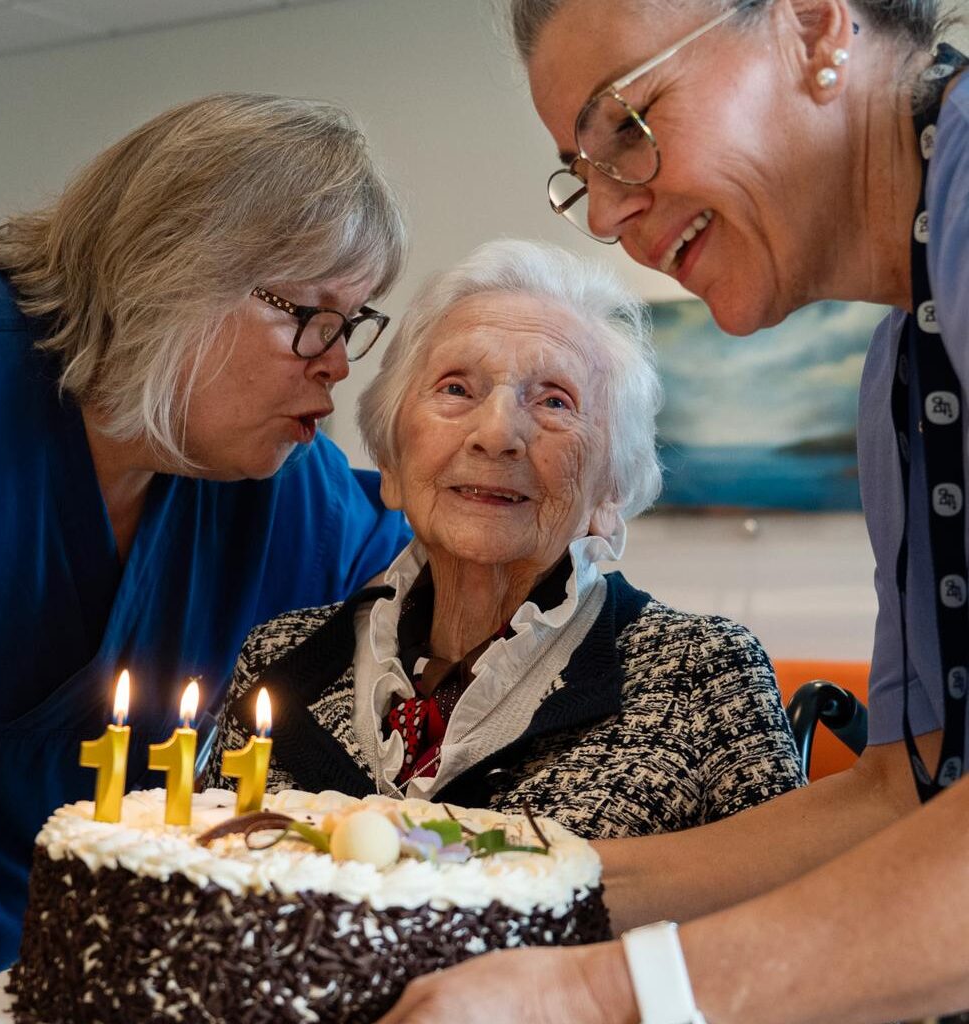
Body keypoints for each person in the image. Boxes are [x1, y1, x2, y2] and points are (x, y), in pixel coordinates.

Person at [377, 1, 969, 1022]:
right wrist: (502, 868)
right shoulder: (899, 377)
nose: (605, 215)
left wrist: (604, 994)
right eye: (583, 168)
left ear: (818, 28)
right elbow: (905, 790)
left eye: (628, 128)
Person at [0, 93, 412, 1022]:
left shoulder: (280, 491)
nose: (338, 364)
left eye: (354, 323)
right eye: (313, 315)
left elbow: (464, 599)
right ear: (174, 272)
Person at [203, 238, 804, 846]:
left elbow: (786, 919)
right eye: (457, 389)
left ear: (610, 492)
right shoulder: (278, 659)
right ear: (389, 460)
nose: (497, 435)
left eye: (553, 401)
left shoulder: (699, 676)